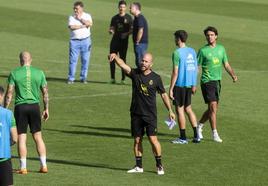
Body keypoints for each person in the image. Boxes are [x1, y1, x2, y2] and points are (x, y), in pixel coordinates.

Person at [109, 52, 175, 175]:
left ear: (151, 64)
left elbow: (164, 95)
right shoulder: (135, 74)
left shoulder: (156, 78)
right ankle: (139, 166)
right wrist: (115, 56)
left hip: (150, 115)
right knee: (137, 140)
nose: (143, 63)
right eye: (142, 61)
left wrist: (170, 110)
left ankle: (159, 165)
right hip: (136, 113)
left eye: (146, 61)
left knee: (153, 139)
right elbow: (123, 65)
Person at [4, 51, 49, 174]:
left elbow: (9, 94)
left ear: (20, 60)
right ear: (31, 60)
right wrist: (46, 108)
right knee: (38, 137)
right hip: (35, 107)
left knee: (21, 138)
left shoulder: (14, 73)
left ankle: (23, 167)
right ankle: (43, 165)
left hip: (20, 107)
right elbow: (45, 93)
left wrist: (4, 109)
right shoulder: (39, 73)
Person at [197, 26, 238, 143]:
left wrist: (233, 75)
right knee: (213, 107)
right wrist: (193, 83)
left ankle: (199, 125)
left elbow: (226, 64)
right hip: (207, 81)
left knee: (212, 109)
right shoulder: (203, 51)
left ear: (216, 36)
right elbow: (196, 67)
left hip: (217, 81)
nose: (209, 37)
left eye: (211, 35)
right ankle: (214, 133)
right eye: (207, 35)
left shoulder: (221, 49)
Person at [169, 30, 200, 144]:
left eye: (175, 38)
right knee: (189, 109)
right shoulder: (192, 51)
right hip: (189, 85)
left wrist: (171, 88)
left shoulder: (177, 53)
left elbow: (175, 72)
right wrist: (194, 84)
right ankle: (197, 135)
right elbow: (196, 69)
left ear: (178, 39)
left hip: (180, 85)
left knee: (180, 110)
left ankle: (183, 138)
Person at [67, 1, 93, 84]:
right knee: (73, 60)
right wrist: (82, 26)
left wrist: (80, 19)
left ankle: (83, 77)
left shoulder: (87, 15)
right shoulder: (71, 17)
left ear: (81, 8)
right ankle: (71, 78)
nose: (75, 10)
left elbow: (89, 24)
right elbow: (71, 27)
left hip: (86, 41)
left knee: (85, 60)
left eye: (77, 8)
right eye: (74, 8)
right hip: (74, 41)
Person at [109, 0, 133, 84]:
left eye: (123, 7)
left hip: (123, 42)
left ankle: (123, 79)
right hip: (115, 41)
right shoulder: (114, 18)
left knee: (123, 60)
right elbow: (112, 27)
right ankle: (112, 78)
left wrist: (126, 34)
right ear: (118, 7)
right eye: (120, 7)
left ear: (125, 8)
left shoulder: (129, 18)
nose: (121, 9)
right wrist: (111, 30)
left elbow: (132, 30)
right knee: (112, 59)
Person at [0, 86, 17, 186]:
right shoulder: (8, 114)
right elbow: (15, 138)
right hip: (4, 157)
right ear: (1, 96)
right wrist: (5, 143)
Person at [130, 2, 148, 68]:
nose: (129, 9)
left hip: (141, 43)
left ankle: (143, 77)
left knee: (141, 61)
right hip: (140, 43)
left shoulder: (140, 18)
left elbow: (141, 30)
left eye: (131, 8)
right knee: (138, 61)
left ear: (136, 9)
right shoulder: (136, 18)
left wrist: (137, 41)